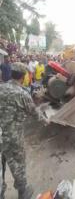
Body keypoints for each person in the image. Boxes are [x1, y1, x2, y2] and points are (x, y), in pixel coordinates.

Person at [0, 62, 36, 198]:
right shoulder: (23, 94)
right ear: (23, 77)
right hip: (14, 137)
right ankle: (22, 192)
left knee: (1, 166)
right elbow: (34, 113)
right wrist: (46, 121)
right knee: (18, 163)